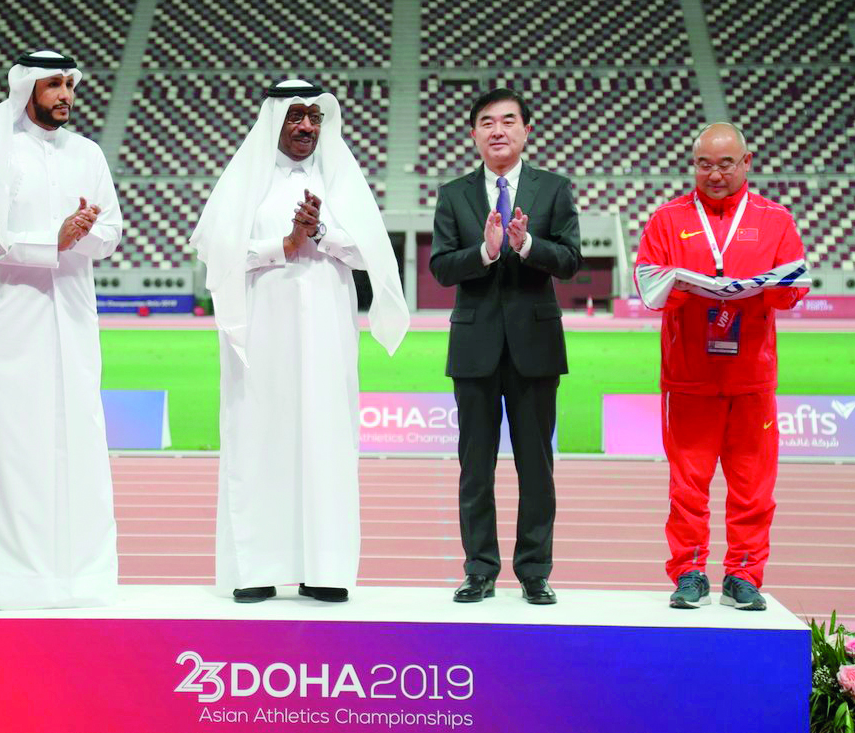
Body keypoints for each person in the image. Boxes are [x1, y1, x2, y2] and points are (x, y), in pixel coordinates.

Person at [191, 79, 409, 604]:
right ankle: (257, 569)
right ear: (275, 122)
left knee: (326, 440)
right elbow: (216, 256)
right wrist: (282, 245)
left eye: (314, 116)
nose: (307, 125)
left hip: (328, 337)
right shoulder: (247, 182)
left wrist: (321, 236)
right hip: (260, 337)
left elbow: (371, 255)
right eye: (295, 117)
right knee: (258, 438)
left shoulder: (341, 182)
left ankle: (324, 569)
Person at [0, 50, 122, 610]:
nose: (65, 95)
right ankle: (3, 581)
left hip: (73, 321)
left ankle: (79, 578)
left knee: (75, 445)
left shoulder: (88, 154)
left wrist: (81, 235)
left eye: (69, 85)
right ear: (26, 89)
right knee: (9, 448)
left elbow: (113, 231)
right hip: (9, 323)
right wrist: (51, 241)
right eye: (54, 85)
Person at [634, 122, 809, 611]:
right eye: (704, 163)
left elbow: (795, 287)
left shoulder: (774, 219)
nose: (714, 173)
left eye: (725, 163)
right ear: (693, 165)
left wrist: (756, 288)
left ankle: (743, 574)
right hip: (688, 378)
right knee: (687, 484)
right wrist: (687, 287)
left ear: (747, 162)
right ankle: (689, 572)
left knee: (754, 486)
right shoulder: (667, 219)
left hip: (751, 377)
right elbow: (649, 286)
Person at [430, 87, 582, 605]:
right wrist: (486, 251)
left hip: (535, 346)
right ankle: (479, 569)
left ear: (525, 130)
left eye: (509, 121)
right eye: (487, 122)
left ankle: (535, 570)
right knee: (476, 468)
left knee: (536, 467)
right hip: (474, 348)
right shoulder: (453, 194)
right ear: (473, 134)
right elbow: (441, 268)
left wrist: (527, 245)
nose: (498, 130)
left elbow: (570, 261)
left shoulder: (555, 189)